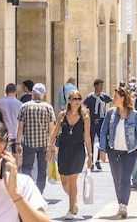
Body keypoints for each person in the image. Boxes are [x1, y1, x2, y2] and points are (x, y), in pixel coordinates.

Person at [98, 87, 137, 219]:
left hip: (130, 152)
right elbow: (103, 132)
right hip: (114, 151)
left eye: (115, 97)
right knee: (117, 179)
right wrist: (102, 150)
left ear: (123, 98)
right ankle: (121, 202)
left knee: (125, 179)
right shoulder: (110, 113)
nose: (113, 99)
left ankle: (123, 204)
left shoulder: (134, 114)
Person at [46, 90, 92, 220]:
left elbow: (87, 137)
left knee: (72, 180)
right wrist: (50, 148)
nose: (77, 101)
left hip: (78, 150)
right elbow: (54, 132)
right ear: (69, 100)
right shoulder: (62, 115)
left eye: (79, 99)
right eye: (74, 99)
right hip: (64, 150)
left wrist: (90, 155)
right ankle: (74, 198)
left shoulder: (85, 117)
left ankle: (71, 210)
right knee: (64, 181)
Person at [16, 84, 56, 194]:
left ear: (33, 93)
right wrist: (53, 145)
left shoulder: (24, 107)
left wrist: (17, 143)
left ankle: (28, 190)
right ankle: (39, 191)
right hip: (44, 143)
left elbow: (20, 127)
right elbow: (51, 128)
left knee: (27, 167)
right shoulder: (48, 107)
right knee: (42, 168)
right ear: (43, 94)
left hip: (29, 142)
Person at [82, 79, 112, 170]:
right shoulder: (90, 97)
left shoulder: (104, 97)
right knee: (90, 141)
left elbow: (112, 100)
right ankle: (91, 160)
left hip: (101, 121)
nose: (101, 88)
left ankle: (98, 160)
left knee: (101, 140)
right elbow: (83, 105)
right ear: (95, 86)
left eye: (102, 86)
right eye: (100, 86)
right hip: (92, 122)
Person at [0, 84, 23, 152]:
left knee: (2, 153)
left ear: (5, 91)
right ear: (16, 92)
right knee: (15, 153)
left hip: (3, 132)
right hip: (15, 132)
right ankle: (15, 163)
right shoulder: (20, 104)